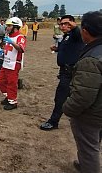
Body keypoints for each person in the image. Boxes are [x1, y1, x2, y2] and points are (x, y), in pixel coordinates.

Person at [62, 11, 102, 173]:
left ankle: (89, 166)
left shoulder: (91, 59)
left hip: (91, 114)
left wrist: (68, 108)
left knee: (89, 149)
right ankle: (86, 163)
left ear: (85, 32)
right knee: (93, 143)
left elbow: (83, 95)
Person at [40, 15, 84, 131]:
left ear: (73, 24)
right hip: (65, 71)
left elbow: (78, 32)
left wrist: (74, 26)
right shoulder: (67, 36)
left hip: (72, 73)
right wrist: (57, 49)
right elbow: (69, 49)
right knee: (68, 97)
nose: (63, 26)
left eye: (66, 23)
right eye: (62, 24)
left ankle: (54, 121)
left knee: (61, 98)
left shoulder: (76, 35)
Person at [0, 17, 26, 110]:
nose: (7, 28)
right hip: (5, 63)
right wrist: (1, 51)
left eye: (9, 26)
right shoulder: (8, 36)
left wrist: (12, 42)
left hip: (14, 64)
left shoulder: (20, 37)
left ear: (16, 27)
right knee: (1, 81)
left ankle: (13, 101)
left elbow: (21, 49)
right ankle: (8, 96)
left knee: (11, 83)